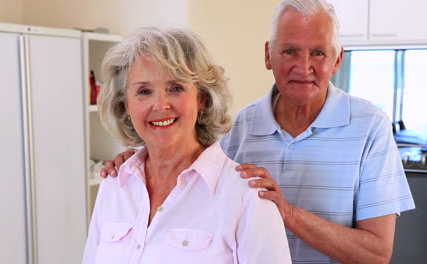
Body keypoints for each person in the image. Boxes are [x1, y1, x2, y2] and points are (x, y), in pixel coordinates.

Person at [100, 0, 416, 263]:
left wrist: (287, 212)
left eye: (318, 53)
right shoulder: (242, 125)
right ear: (268, 55)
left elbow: (376, 253)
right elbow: (189, 170)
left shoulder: (370, 127)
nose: (303, 66)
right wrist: (141, 159)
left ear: (337, 60)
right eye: (290, 51)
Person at [82, 27, 291, 263]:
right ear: (126, 106)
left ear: (202, 98)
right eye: (143, 91)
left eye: (176, 88)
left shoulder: (247, 196)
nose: (160, 105)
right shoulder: (114, 185)